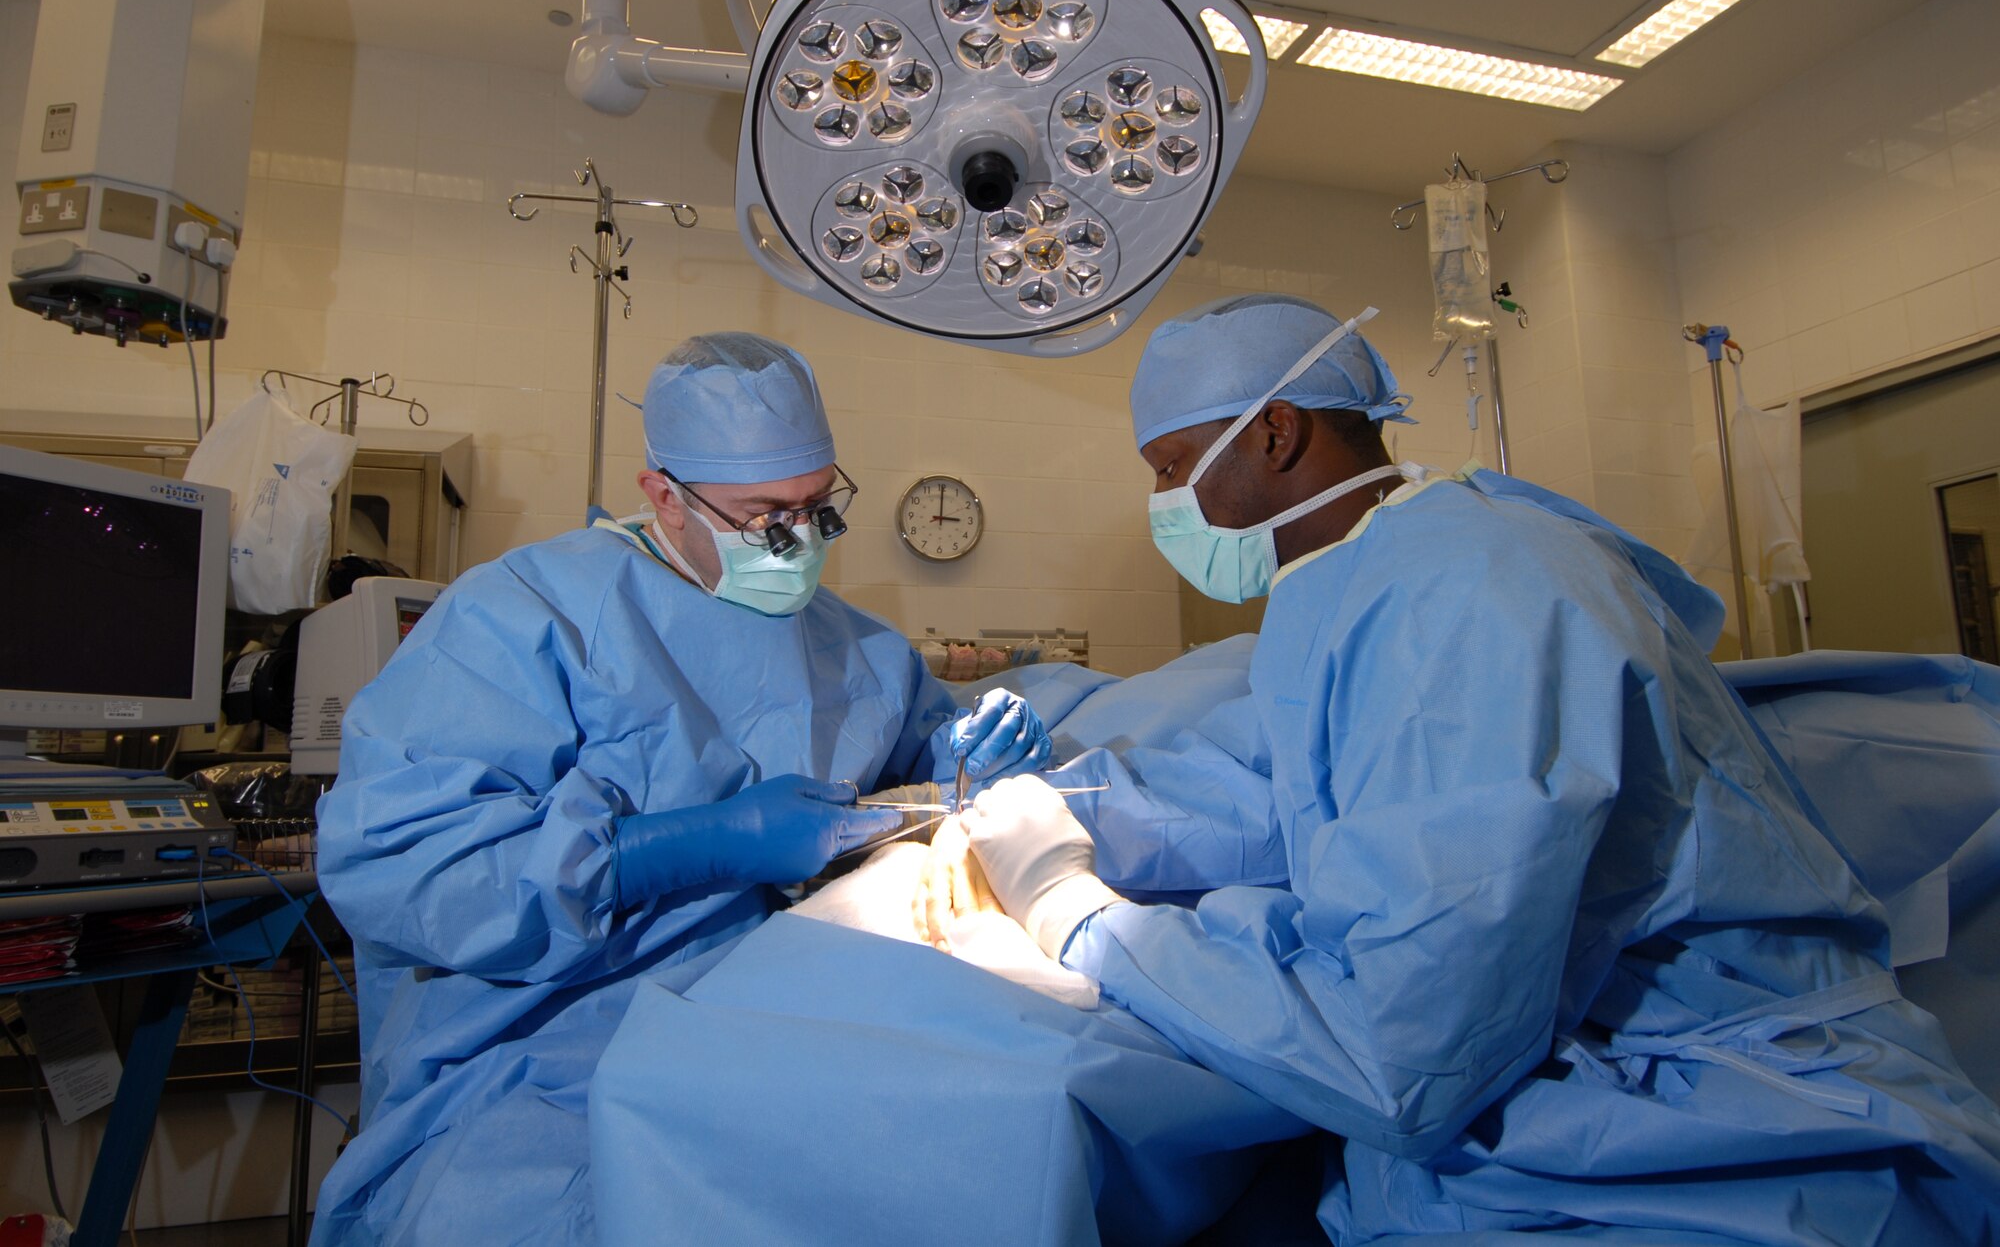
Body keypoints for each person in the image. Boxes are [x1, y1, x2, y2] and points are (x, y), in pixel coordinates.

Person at [963, 294, 2000, 1243]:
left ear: (1272, 431)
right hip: (1624, 1099)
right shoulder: (1373, 580)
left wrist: (1079, 916)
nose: (1162, 503)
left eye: (1166, 465)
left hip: (1746, 1140)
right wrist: (1074, 803)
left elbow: (1401, 1050)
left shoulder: (1467, 598)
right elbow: (1290, 796)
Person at [310, 333, 1050, 1247]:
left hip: (788, 1017)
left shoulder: (854, 643)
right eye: (766, 515)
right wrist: (683, 844)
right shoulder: (526, 615)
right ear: (664, 494)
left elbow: (905, 764)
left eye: (821, 508)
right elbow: (404, 864)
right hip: (553, 1049)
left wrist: (961, 756)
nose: (803, 539)